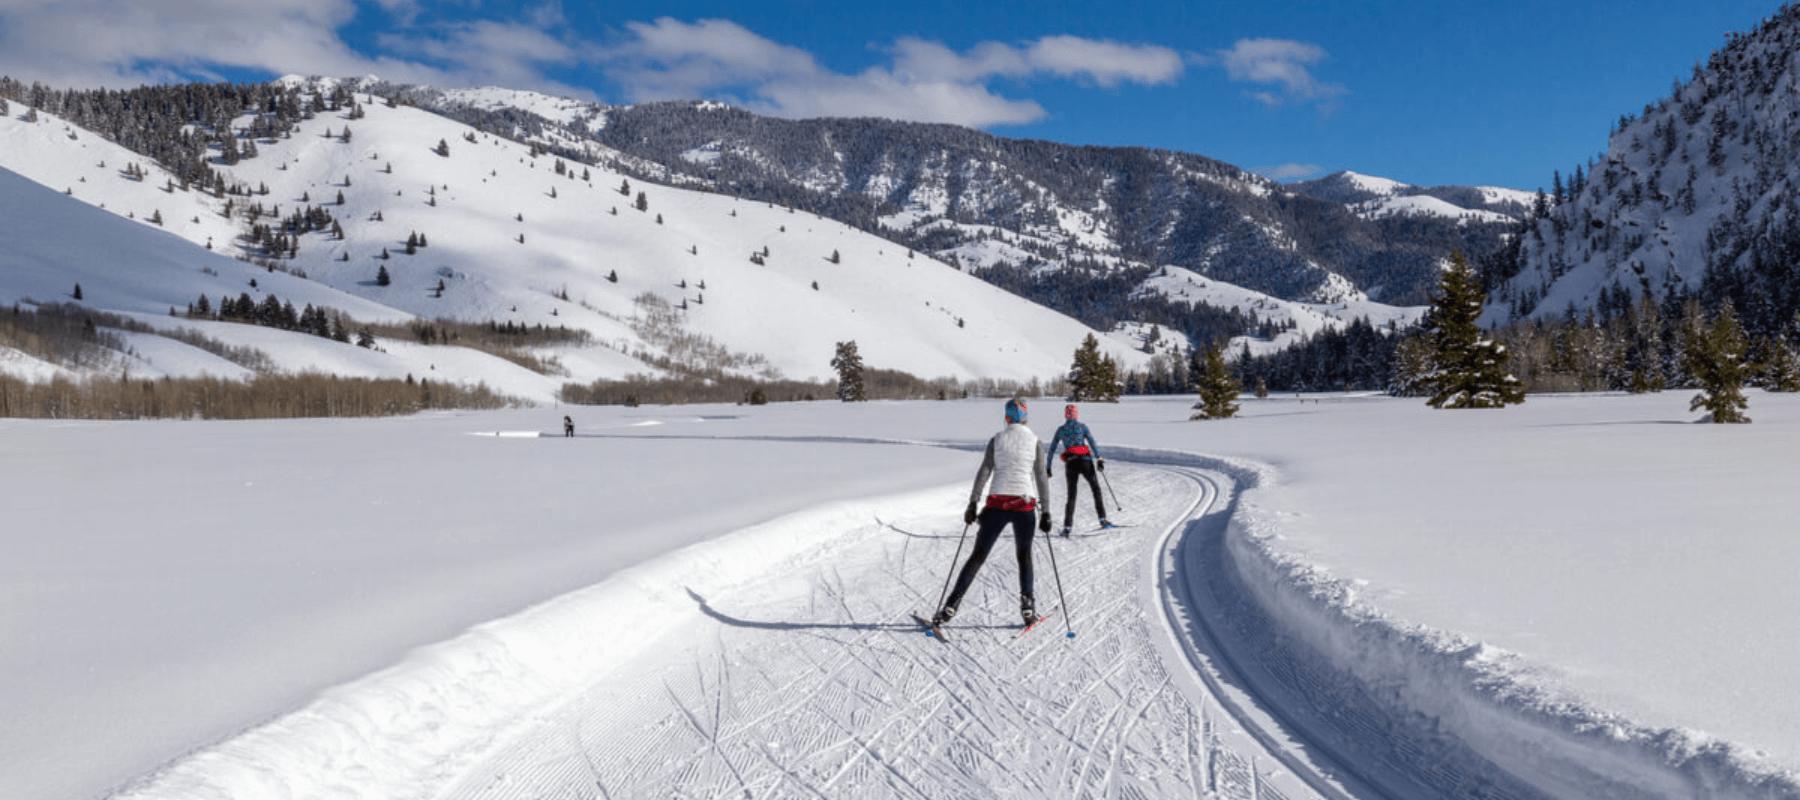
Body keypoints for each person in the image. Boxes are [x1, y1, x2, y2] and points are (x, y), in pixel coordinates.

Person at [932, 397, 1052, 628]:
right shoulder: (1035, 441)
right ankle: (1028, 607)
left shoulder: (997, 439)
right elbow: (1041, 477)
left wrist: (973, 503)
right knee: (1024, 556)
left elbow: (985, 471)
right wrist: (1046, 511)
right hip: (1024, 505)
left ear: (1006, 417)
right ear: (1025, 417)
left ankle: (951, 606)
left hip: (997, 503)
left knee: (977, 556)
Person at [1047, 403, 1108, 536]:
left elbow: (1051, 449)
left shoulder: (1061, 430)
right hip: (1085, 461)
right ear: (1076, 414)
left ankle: (1067, 527)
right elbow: (1092, 443)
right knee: (1095, 489)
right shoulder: (1082, 427)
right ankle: (1102, 519)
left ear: (1065, 415)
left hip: (1071, 464)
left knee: (1071, 496)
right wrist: (1099, 458)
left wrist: (1048, 467)